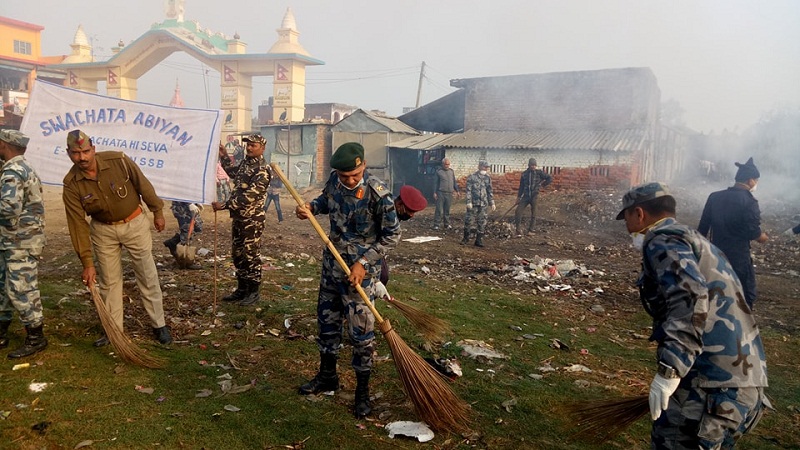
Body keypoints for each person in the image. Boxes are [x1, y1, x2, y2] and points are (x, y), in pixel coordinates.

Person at [617, 182, 768, 449]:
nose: (626, 225)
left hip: (710, 386)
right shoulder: (692, 239)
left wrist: (670, 369)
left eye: (626, 216)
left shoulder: (662, 240)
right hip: (737, 380)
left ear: (638, 213)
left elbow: (689, 297)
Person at [295, 142, 400, 418]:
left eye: (354, 175)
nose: (350, 181)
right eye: (344, 177)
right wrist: (310, 208)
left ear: (363, 165)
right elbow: (325, 201)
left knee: (361, 335)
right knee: (327, 324)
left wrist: (363, 264)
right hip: (332, 268)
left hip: (360, 279)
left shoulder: (380, 196)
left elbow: (391, 236)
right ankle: (328, 376)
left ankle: (362, 393)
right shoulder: (335, 182)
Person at [62, 130, 172, 346]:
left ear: (93, 149)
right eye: (76, 153)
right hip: (103, 231)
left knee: (146, 274)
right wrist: (87, 262)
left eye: (85, 151)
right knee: (109, 282)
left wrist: (157, 211)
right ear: (68, 154)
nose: (82, 158)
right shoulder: (72, 183)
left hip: (134, 224)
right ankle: (114, 331)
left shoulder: (118, 160)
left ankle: (159, 325)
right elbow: (77, 224)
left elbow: (143, 185)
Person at [0, 130, 47, 358]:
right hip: (13, 241)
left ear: (4, 145)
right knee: (4, 287)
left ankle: (36, 337)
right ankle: (2, 331)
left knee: (21, 289)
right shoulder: (24, 168)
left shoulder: (13, 171)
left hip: (20, 241)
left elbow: (9, 209)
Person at [697, 157, 768, 309]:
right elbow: (753, 232)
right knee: (745, 294)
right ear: (750, 181)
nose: (756, 183)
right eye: (756, 180)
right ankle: (743, 326)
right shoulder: (750, 202)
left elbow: (702, 229)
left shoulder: (714, 197)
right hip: (739, 257)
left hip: (716, 253)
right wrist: (763, 237)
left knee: (717, 291)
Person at [212, 133, 270, 306]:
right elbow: (232, 173)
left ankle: (253, 292)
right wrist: (224, 157)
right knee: (238, 254)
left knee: (250, 255)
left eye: (253, 145)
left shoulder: (262, 170)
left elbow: (249, 197)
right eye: (248, 145)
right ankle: (242, 289)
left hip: (252, 219)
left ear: (262, 148)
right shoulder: (246, 164)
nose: (249, 148)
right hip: (239, 218)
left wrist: (225, 205)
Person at [377, 185, 427, 288]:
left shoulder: (396, 213)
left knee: (383, 277)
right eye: (410, 211)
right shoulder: (384, 211)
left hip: (377, 248)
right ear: (399, 204)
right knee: (381, 277)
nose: (412, 215)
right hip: (365, 246)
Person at [514, 158, 552, 237]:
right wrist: (518, 197)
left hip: (534, 196)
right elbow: (521, 186)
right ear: (529, 165)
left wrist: (542, 185)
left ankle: (530, 230)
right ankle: (518, 230)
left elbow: (549, 178)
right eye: (532, 165)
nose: (533, 167)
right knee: (518, 211)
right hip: (526, 196)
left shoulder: (539, 173)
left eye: (535, 165)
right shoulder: (524, 174)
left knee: (534, 213)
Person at [461, 160, 495, 247]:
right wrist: (468, 201)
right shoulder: (472, 177)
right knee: (469, 221)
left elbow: (489, 191)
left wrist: (492, 202)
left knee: (482, 222)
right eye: (484, 167)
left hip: (483, 204)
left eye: (487, 167)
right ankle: (465, 238)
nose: (486, 169)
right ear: (479, 166)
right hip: (473, 203)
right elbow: (468, 191)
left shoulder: (488, 178)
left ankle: (479, 240)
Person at [163, 201, 203, 270]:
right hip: (182, 206)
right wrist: (189, 203)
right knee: (187, 231)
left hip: (191, 203)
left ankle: (173, 242)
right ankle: (186, 260)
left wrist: (197, 201)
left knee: (198, 227)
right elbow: (181, 191)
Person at [432, 158, 458, 230]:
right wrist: (434, 192)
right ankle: (436, 224)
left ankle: (446, 224)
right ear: (442, 164)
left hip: (449, 193)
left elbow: (454, 182)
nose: (447, 166)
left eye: (448, 164)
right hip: (441, 193)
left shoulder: (451, 171)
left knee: (447, 210)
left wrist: (457, 190)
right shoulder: (439, 172)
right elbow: (435, 183)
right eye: (446, 164)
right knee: (439, 210)